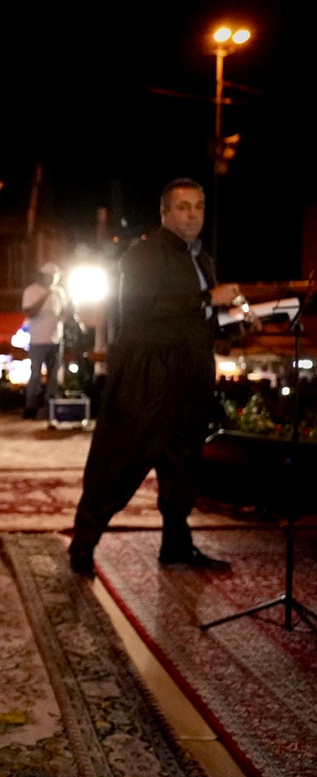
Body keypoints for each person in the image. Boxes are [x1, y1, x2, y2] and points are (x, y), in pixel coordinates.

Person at [68, 178, 242, 575]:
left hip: (190, 376)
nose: (193, 215)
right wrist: (206, 298)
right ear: (164, 212)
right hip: (147, 375)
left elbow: (197, 318)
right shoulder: (143, 254)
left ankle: (176, 545)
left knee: (183, 466)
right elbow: (144, 307)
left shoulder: (202, 259)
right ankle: (83, 544)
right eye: (183, 207)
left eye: (198, 206)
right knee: (121, 461)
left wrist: (233, 321)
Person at [22, 262, 67, 419]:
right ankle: (31, 406)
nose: (55, 280)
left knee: (54, 376)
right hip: (38, 340)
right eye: (52, 277)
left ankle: (51, 407)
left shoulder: (60, 292)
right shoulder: (31, 291)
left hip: (56, 339)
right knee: (35, 374)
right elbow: (30, 312)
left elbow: (64, 313)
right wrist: (46, 296)